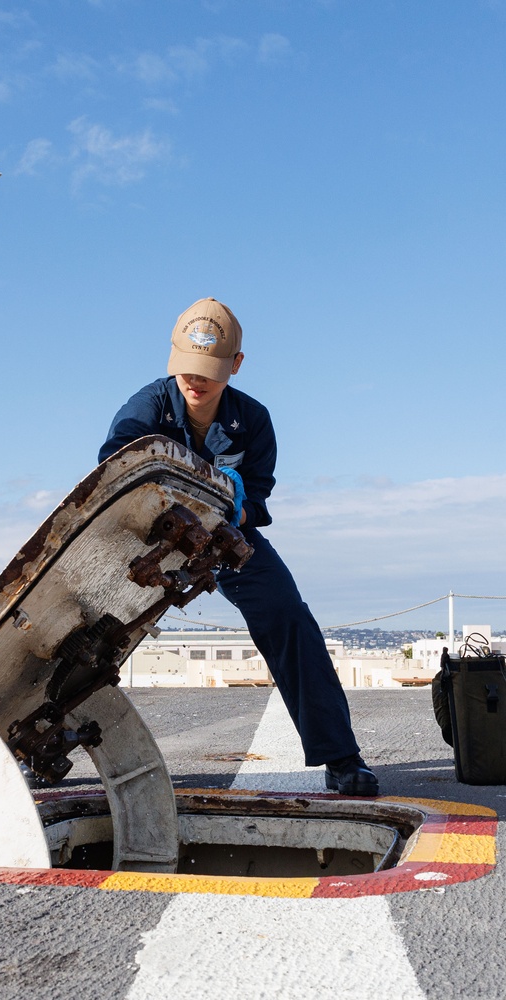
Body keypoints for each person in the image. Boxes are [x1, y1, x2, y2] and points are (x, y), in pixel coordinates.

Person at [99, 297, 379, 796]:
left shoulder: (254, 419)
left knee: (288, 616)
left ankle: (341, 756)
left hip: (225, 537)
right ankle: (36, 745)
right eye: (186, 368)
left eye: (208, 370)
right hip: (145, 535)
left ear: (236, 365)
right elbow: (113, 470)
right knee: (81, 627)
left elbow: (258, 504)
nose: (195, 380)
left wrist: (237, 506)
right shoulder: (145, 407)